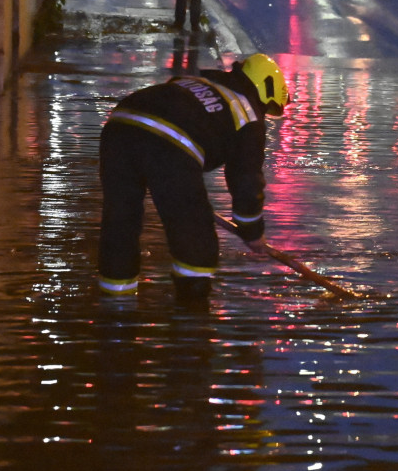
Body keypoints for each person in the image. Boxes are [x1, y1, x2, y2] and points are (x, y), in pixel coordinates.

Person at [97, 53, 291, 301]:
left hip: (119, 126)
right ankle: (192, 317)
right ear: (265, 90)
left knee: (121, 220)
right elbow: (246, 181)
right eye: (269, 107)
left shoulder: (196, 83)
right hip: (169, 142)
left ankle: (114, 306)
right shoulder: (248, 115)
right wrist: (252, 230)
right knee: (195, 237)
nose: (264, 114)